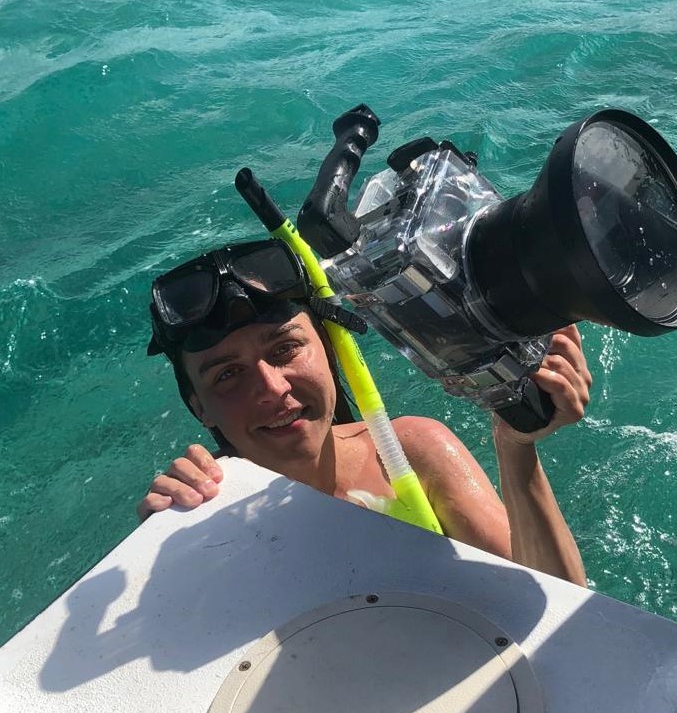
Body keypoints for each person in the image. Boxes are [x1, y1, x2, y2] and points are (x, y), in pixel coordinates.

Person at [139, 238, 591, 586]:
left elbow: (560, 603)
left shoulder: (410, 452)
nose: (272, 389)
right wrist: (163, 546)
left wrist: (516, 446)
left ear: (331, 351)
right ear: (200, 408)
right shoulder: (204, 515)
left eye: (285, 349)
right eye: (228, 375)